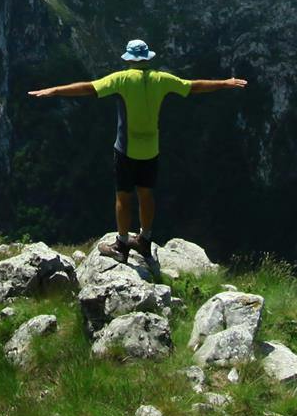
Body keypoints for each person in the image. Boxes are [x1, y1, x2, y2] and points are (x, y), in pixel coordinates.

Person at [27, 39, 248, 266]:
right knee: (146, 194)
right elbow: (193, 86)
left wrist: (54, 90)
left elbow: (87, 88)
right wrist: (224, 82)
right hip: (151, 149)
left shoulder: (121, 79)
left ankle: (121, 244)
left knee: (123, 196)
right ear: (147, 58)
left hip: (125, 149)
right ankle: (145, 239)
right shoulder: (161, 79)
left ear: (129, 59)